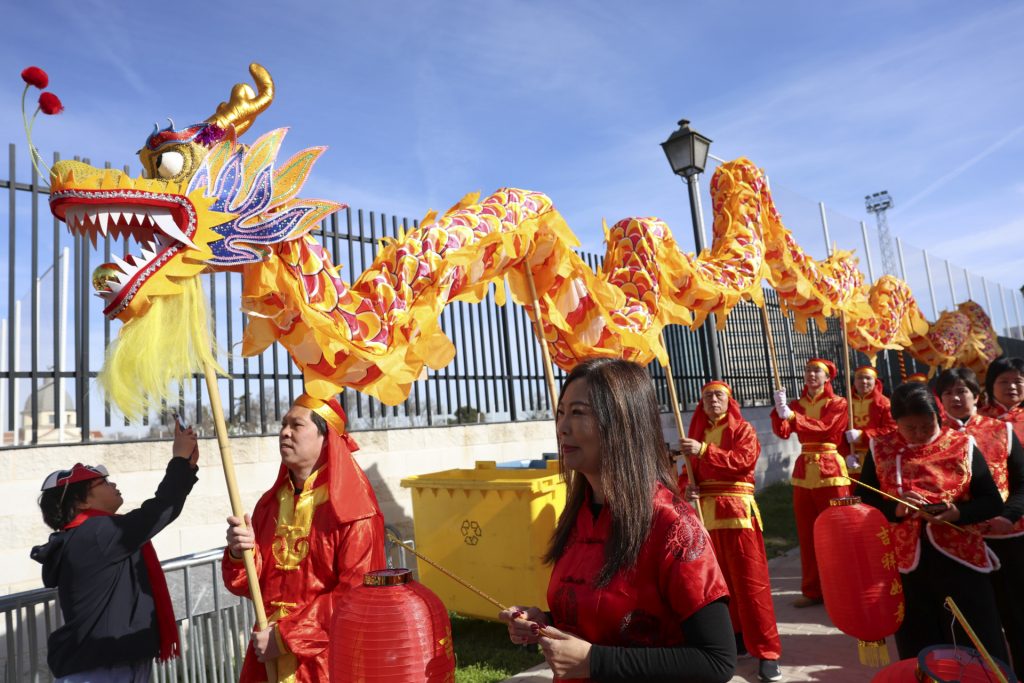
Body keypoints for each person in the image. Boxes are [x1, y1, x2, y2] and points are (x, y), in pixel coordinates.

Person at [498, 358, 735, 682]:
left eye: (578, 412)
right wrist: (544, 622)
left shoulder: (673, 526)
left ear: (622, 423)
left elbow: (717, 661)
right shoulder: (578, 516)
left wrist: (597, 662)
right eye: (561, 412)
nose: (562, 427)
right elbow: (604, 617)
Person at [223, 394, 386, 682]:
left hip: (326, 661)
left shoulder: (354, 512)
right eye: (283, 424)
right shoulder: (270, 504)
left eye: (296, 425)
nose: (284, 432)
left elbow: (356, 596)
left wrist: (285, 637)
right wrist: (241, 552)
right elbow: (252, 586)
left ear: (327, 438)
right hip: (267, 654)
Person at [31, 423, 200, 682]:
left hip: (107, 665)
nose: (113, 484)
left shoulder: (89, 534)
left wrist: (185, 466)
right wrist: (179, 460)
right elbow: (158, 511)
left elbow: (160, 511)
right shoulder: (95, 534)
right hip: (100, 670)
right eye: (104, 481)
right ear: (81, 501)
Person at [859, 382, 1007, 663]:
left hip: (960, 558)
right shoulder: (881, 448)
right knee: (919, 641)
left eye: (926, 426)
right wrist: (897, 510)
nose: (919, 434)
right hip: (907, 562)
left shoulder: (962, 444)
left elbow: (991, 501)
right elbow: (865, 499)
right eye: (909, 428)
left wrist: (957, 513)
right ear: (896, 422)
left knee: (975, 638)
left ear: (937, 416)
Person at [678, 380, 782, 682]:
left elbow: (743, 462)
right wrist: (688, 491)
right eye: (707, 396)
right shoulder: (695, 436)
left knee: (752, 586)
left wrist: (705, 450)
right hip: (706, 519)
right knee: (718, 587)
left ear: (729, 399)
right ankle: (735, 637)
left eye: (718, 395)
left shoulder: (743, 430)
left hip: (738, 516)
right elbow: (686, 476)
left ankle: (767, 652)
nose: (713, 400)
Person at [936, 367, 1024, 675]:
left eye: (962, 391)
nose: (956, 397)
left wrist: (1008, 516)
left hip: (1006, 537)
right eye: (948, 392)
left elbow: (1021, 482)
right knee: (973, 624)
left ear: (977, 395)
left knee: (1018, 615)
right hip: (957, 542)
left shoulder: (1001, 430)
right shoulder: (934, 437)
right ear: (940, 399)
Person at [770, 357, 851, 607]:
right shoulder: (798, 403)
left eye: (817, 371)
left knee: (837, 532)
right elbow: (783, 432)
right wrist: (778, 411)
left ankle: (843, 588)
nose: (811, 374)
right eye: (808, 370)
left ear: (828, 377)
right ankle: (813, 589)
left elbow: (826, 428)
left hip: (831, 471)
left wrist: (792, 416)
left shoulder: (837, 403)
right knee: (807, 534)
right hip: (804, 472)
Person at [844, 365, 896, 476]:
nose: (863, 381)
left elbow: (891, 429)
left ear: (875, 381)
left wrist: (862, 435)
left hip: (877, 455)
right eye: (859, 378)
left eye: (868, 378)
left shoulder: (884, 403)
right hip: (853, 456)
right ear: (854, 381)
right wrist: (845, 454)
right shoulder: (845, 403)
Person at [981, 356, 1024, 443]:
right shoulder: (978, 418)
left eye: (1018, 381)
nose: (1012, 387)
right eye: (1004, 381)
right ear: (991, 384)